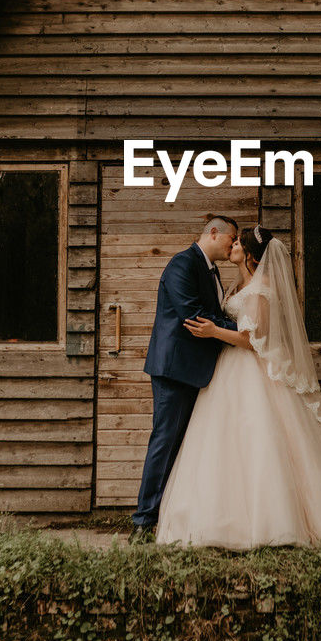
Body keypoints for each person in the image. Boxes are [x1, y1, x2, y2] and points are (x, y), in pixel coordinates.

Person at [155, 225, 321, 549]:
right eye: (231, 240)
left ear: (249, 254)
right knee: (224, 443)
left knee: (261, 439)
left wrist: (213, 332)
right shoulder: (235, 285)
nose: (231, 245)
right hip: (227, 371)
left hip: (253, 369)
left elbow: (252, 340)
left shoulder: (264, 289)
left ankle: (273, 521)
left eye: (237, 243)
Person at [131, 215, 240, 536]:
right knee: (164, 442)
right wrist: (244, 332)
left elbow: (214, 313)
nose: (233, 245)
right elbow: (194, 316)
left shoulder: (211, 269)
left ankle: (171, 517)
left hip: (197, 371)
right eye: (231, 239)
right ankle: (143, 522)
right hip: (175, 369)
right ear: (214, 233)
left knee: (184, 445)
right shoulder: (182, 264)